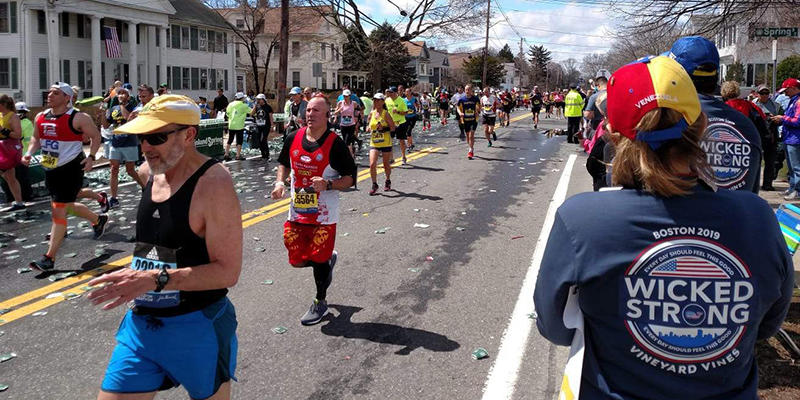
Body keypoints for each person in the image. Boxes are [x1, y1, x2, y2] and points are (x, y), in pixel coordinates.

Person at [534, 55, 793, 400]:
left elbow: (555, 326)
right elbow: (767, 324)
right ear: (701, 125)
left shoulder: (581, 220)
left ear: (612, 133)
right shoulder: (757, 217)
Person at [87, 94, 242, 400]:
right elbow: (160, 244)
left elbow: (228, 272)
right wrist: (136, 275)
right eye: (142, 137)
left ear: (189, 135)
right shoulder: (148, 174)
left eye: (156, 137)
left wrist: (154, 279)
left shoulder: (214, 184)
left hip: (197, 327)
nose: (145, 146)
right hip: (142, 326)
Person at [271, 95, 356, 325]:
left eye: (316, 110)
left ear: (328, 115)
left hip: (324, 216)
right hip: (297, 211)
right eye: (308, 110)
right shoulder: (293, 137)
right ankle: (326, 262)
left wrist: (328, 184)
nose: (310, 114)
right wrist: (280, 183)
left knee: (318, 259)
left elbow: (350, 179)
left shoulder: (335, 144)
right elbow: (284, 163)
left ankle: (320, 301)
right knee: (296, 259)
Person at [22, 83, 108, 271]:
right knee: (65, 206)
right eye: (50, 92)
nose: (50, 95)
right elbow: (36, 138)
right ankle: (97, 219)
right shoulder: (40, 116)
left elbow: (96, 136)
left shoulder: (78, 117)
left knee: (59, 210)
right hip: (50, 167)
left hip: (71, 168)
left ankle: (49, 257)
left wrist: (92, 157)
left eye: (56, 93)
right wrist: (29, 153)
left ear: (67, 98)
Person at [668, 36, 762, 193]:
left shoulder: (667, 119)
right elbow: (751, 194)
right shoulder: (746, 127)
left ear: (675, 76)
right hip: (736, 208)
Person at [720, 81, 773, 192]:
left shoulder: (722, 107)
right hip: (749, 146)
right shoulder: (751, 106)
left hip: (728, 146)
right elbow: (762, 124)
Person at [102, 87, 146, 208]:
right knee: (114, 169)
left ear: (129, 96)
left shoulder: (134, 107)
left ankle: (144, 187)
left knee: (130, 170)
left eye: (123, 93)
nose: (120, 95)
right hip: (116, 142)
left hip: (129, 142)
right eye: (119, 93)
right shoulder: (114, 108)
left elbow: (128, 118)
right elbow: (106, 125)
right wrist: (103, 113)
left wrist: (121, 105)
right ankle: (114, 198)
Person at [770, 78, 800, 200]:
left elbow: (797, 121)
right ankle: (792, 188)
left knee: (796, 167)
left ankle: (798, 191)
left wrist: (783, 118)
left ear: (793, 88)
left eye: (786, 90)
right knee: (791, 166)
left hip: (795, 139)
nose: (785, 93)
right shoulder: (793, 101)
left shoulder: (798, 102)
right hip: (789, 137)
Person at [752, 84, 783, 190]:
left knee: (770, 162)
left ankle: (767, 184)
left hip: (771, 136)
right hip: (757, 136)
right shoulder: (752, 104)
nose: (765, 95)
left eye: (767, 93)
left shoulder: (776, 105)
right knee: (756, 161)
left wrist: (776, 119)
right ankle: (754, 183)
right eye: (762, 93)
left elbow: (782, 118)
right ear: (757, 94)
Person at [367, 93, 396, 195]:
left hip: (385, 143)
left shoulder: (385, 114)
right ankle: (374, 184)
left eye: (378, 100)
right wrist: (368, 128)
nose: (376, 102)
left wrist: (383, 128)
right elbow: (368, 125)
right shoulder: (372, 113)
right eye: (374, 100)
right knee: (372, 164)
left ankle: (388, 180)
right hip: (374, 142)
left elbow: (393, 127)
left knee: (385, 164)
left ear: (383, 102)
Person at [0, 95, 25, 211]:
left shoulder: (13, 116)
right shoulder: (1, 115)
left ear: (3, 104)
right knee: (9, 177)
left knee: (10, 177)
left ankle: (19, 202)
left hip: (7, 149)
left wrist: (2, 130)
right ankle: (19, 202)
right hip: (2, 149)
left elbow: (18, 135)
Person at [224, 92, 252, 161]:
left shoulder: (230, 104)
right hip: (239, 126)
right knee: (239, 141)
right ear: (241, 98)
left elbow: (227, 114)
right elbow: (251, 112)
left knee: (230, 140)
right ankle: (238, 155)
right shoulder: (244, 105)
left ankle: (226, 154)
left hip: (231, 125)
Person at [386, 86, 409, 164]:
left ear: (395, 93)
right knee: (389, 141)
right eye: (389, 92)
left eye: (391, 92)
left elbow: (406, 112)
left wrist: (398, 112)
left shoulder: (401, 101)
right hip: (391, 124)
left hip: (400, 123)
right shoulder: (387, 100)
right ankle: (391, 158)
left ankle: (403, 156)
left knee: (401, 141)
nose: (390, 94)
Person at [334, 89, 359, 157]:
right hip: (343, 125)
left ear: (350, 96)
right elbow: (335, 113)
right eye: (344, 96)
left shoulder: (354, 103)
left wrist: (357, 118)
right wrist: (339, 111)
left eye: (347, 96)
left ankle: (349, 155)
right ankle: (352, 152)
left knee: (347, 141)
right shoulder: (340, 103)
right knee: (345, 140)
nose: (345, 97)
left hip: (351, 124)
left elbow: (358, 110)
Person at [458, 85, 480, 159]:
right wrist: (460, 113)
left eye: (469, 90)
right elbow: (458, 107)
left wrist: (477, 111)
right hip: (465, 120)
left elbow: (479, 107)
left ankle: (470, 151)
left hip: (474, 120)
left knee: (471, 135)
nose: (467, 91)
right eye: (466, 90)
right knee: (468, 136)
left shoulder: (475, 99)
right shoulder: (462, 99)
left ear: (471, 90)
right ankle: (471, 147)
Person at [251, 93, 273, 160]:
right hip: (259, 125)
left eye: (259, 99)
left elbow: (271, 117)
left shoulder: (268, 107)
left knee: (264, 139)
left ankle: (267, 154)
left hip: (266, 125)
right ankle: (263, 154)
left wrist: (272, 125)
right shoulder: (257, 106)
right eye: (257, 99)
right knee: (258, 139)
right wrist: (255, 106)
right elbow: (251, 113)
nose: (258, 101)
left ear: (263, 100)